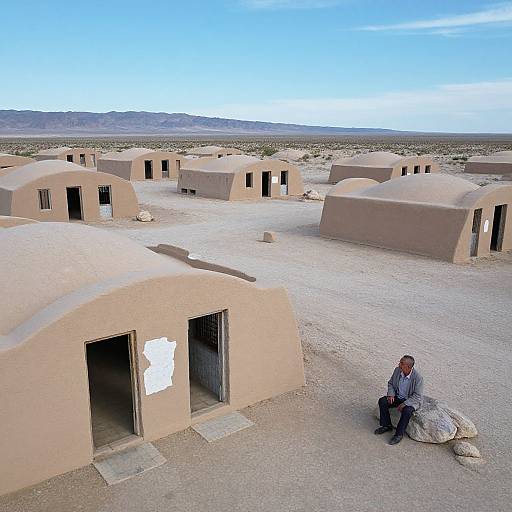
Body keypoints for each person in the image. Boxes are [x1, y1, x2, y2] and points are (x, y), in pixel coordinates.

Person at [374, 355, 424, 445]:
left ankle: (399, 434)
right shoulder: (397, 370)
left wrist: (405, 403)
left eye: (401, 363)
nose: (399, 364)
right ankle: (386, 425)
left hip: (411, 400)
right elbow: (391, 384)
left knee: (407, 411)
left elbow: (418, 396)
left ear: (408, 367)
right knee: (383, 401)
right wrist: (391, 394)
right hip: (398, 396)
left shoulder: (418, 378)